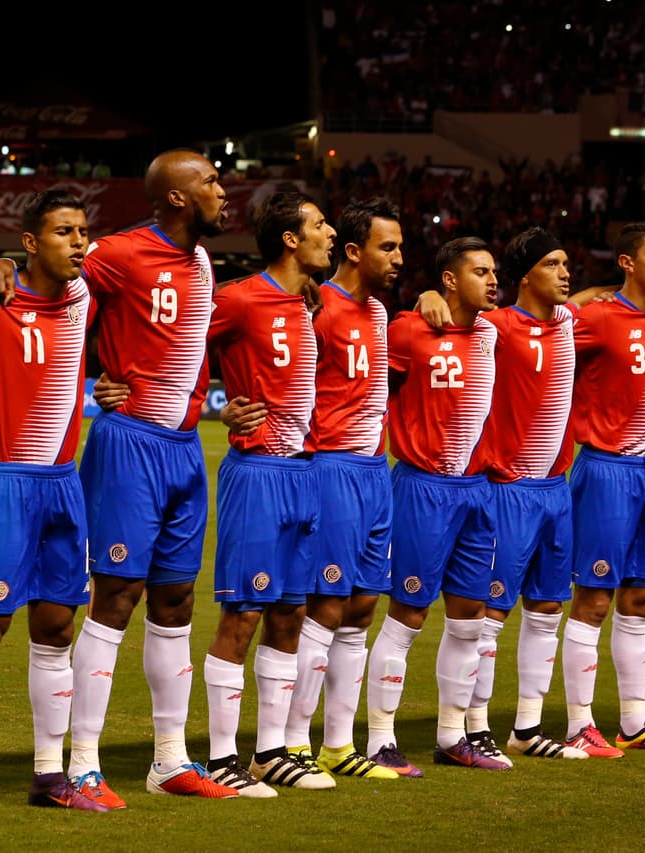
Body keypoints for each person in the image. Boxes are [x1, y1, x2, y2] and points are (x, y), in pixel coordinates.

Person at [0, 149, 237, 803]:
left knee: (176, 601)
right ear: (175, 198)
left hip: (184, 450)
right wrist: (4, 264)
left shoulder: (204, 264)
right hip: (129, 451)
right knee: (114, 597)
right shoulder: (117, 253)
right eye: (208, 179)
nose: (221, 187)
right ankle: (84, 760)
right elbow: (51, 281)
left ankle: (169, 760)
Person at [0, 191, 105, 818]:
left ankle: (48, 773)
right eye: (64, 232)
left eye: (84, 231)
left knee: (58, 628)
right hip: (5, 483)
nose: (79, 242)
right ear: (31, 243)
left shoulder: (84, 295)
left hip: (64, 484)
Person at [201, 190, 334, 794]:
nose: (328, 233)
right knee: (244, 613)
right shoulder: (237, 298)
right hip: (257, 474)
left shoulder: (309, 301)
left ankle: (273, 751)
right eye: (319, 224)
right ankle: (224, 757)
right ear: (289, 238)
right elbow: (176, 345)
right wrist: (209, 406)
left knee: (292, 613)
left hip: (305, 474)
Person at [462, 227, 610, 763]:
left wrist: (603, 295)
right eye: (553, 264)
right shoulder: (494, 327)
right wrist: (429, 296)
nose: (565, 272)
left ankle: (527, 726)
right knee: (490, 613)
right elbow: (447, 322)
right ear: (527, 277)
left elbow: (588, 301)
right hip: (508, 489)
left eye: (566, 263)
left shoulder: (570, 320)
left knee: (547, 608)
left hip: (556, 491)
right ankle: (474, 726)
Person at [270, 196, 403, 781]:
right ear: (354, 251)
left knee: (362, 608)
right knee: (323, 605)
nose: (399, 258)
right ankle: (294, 741)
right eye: (388, 247)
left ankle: (338, 745)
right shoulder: (316, 308)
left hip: (376, 471)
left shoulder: (380, 313)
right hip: (331, 468)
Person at [364, 236, 504, 774]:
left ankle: (452, 737)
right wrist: (420, 295)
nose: (493, 280)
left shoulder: (493, 331)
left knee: (470, 619)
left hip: (477, 491)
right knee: (408, 616)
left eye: (495, 272)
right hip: (423, 487)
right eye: (480, 272)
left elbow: (560, 310)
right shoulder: (407, 329)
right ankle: (380, 739)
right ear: (449, 279)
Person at [561, 222, 645, 757]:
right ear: (627, 263)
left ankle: (636, 722)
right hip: (607, 470)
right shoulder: (596, 319)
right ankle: (577, 724)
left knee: (640, 598)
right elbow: (539, 328)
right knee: (593, 601)